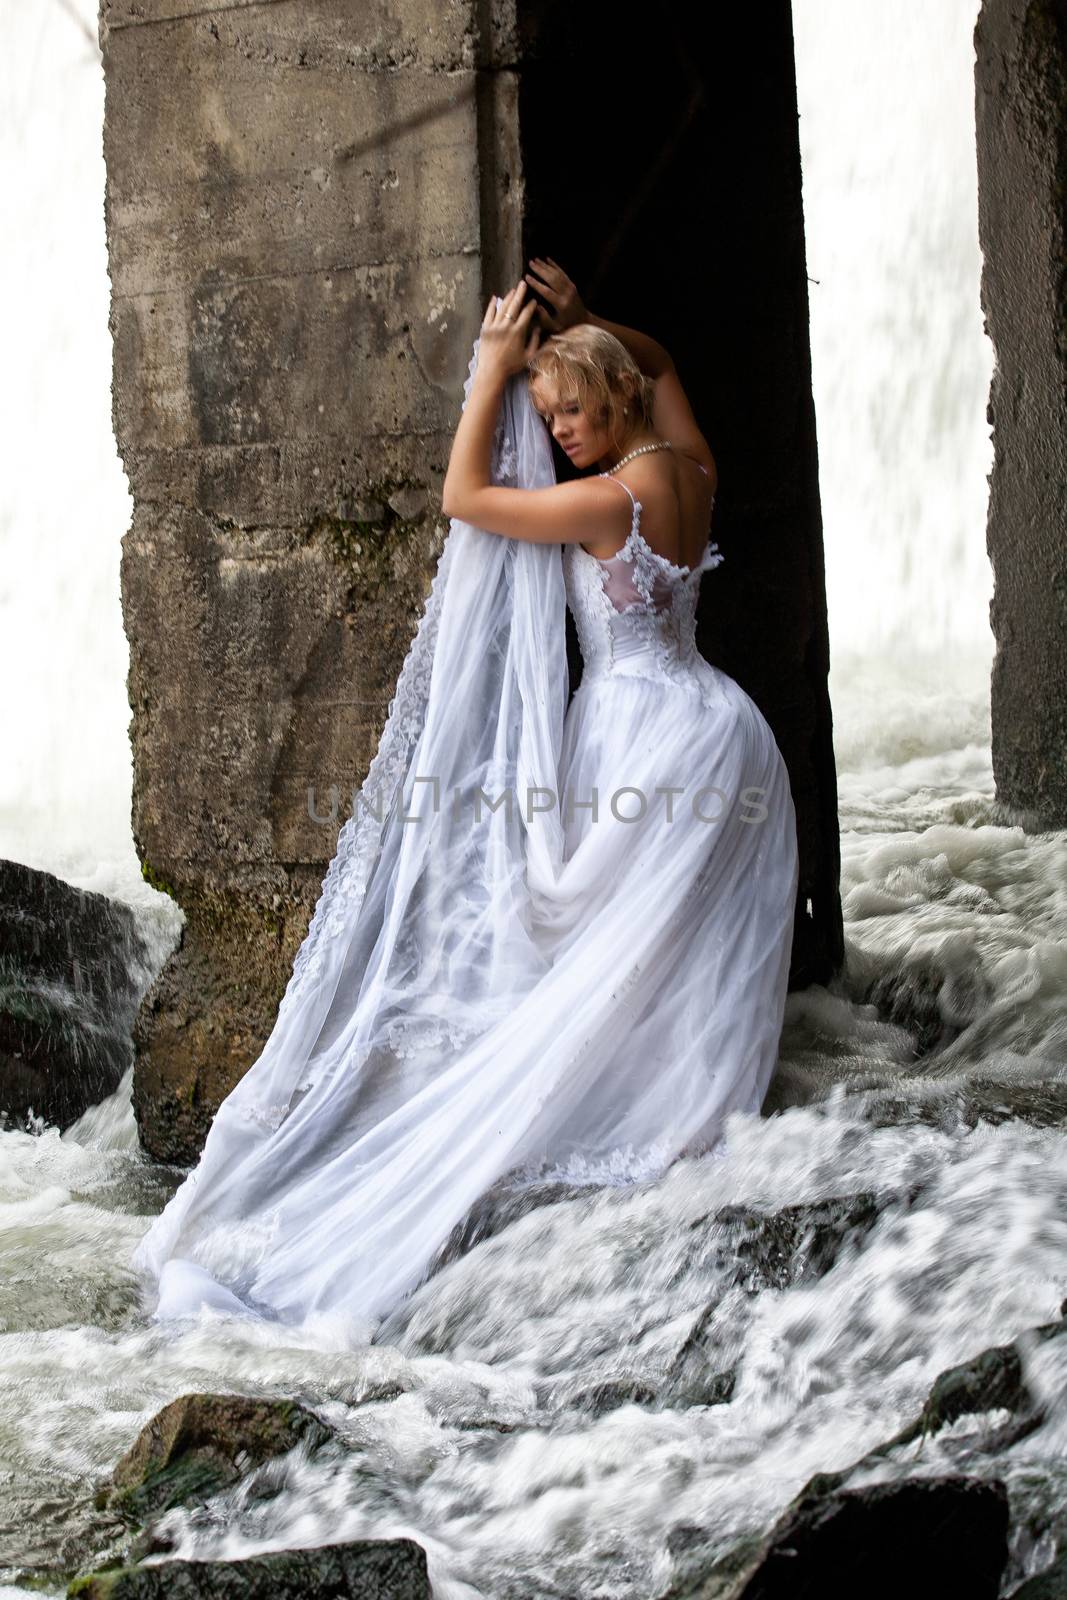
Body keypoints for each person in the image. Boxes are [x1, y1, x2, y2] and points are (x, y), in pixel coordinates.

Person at [133, 258, 799, 1347]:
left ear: (614, 399)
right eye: (548, 412)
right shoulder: (689, 466)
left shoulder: (602, 501)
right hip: (717, 724)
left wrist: (490, 376)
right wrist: (584, 325)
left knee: (602, 940)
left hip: (640, 738)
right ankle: (688, 1101)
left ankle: (638, 1110)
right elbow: (665, 360)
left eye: (574, 409)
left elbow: (465, 501)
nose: (563, 430)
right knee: (657, 943)